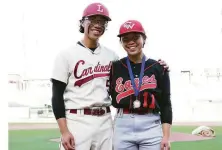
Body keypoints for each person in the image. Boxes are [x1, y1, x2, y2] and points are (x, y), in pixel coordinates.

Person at [51, 2, 170, 150]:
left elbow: (134, 68)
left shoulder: (112, 57)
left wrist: (160, 67)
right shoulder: (66, 55)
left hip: (105, 122)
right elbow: (56, 96)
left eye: (102, 21)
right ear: (83, 22)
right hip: (77, 120)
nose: (98, 24)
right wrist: (64, 131)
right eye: (93, 20)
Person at [109, 20, 172, 150]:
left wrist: (166, 136)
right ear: (121, 42)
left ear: (144, 39)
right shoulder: (115, 67)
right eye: (125, 39)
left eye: (135, 37)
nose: (131, 42)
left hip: (151, 123)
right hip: (123, 123)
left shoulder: (158, 67)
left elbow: (166, 103)